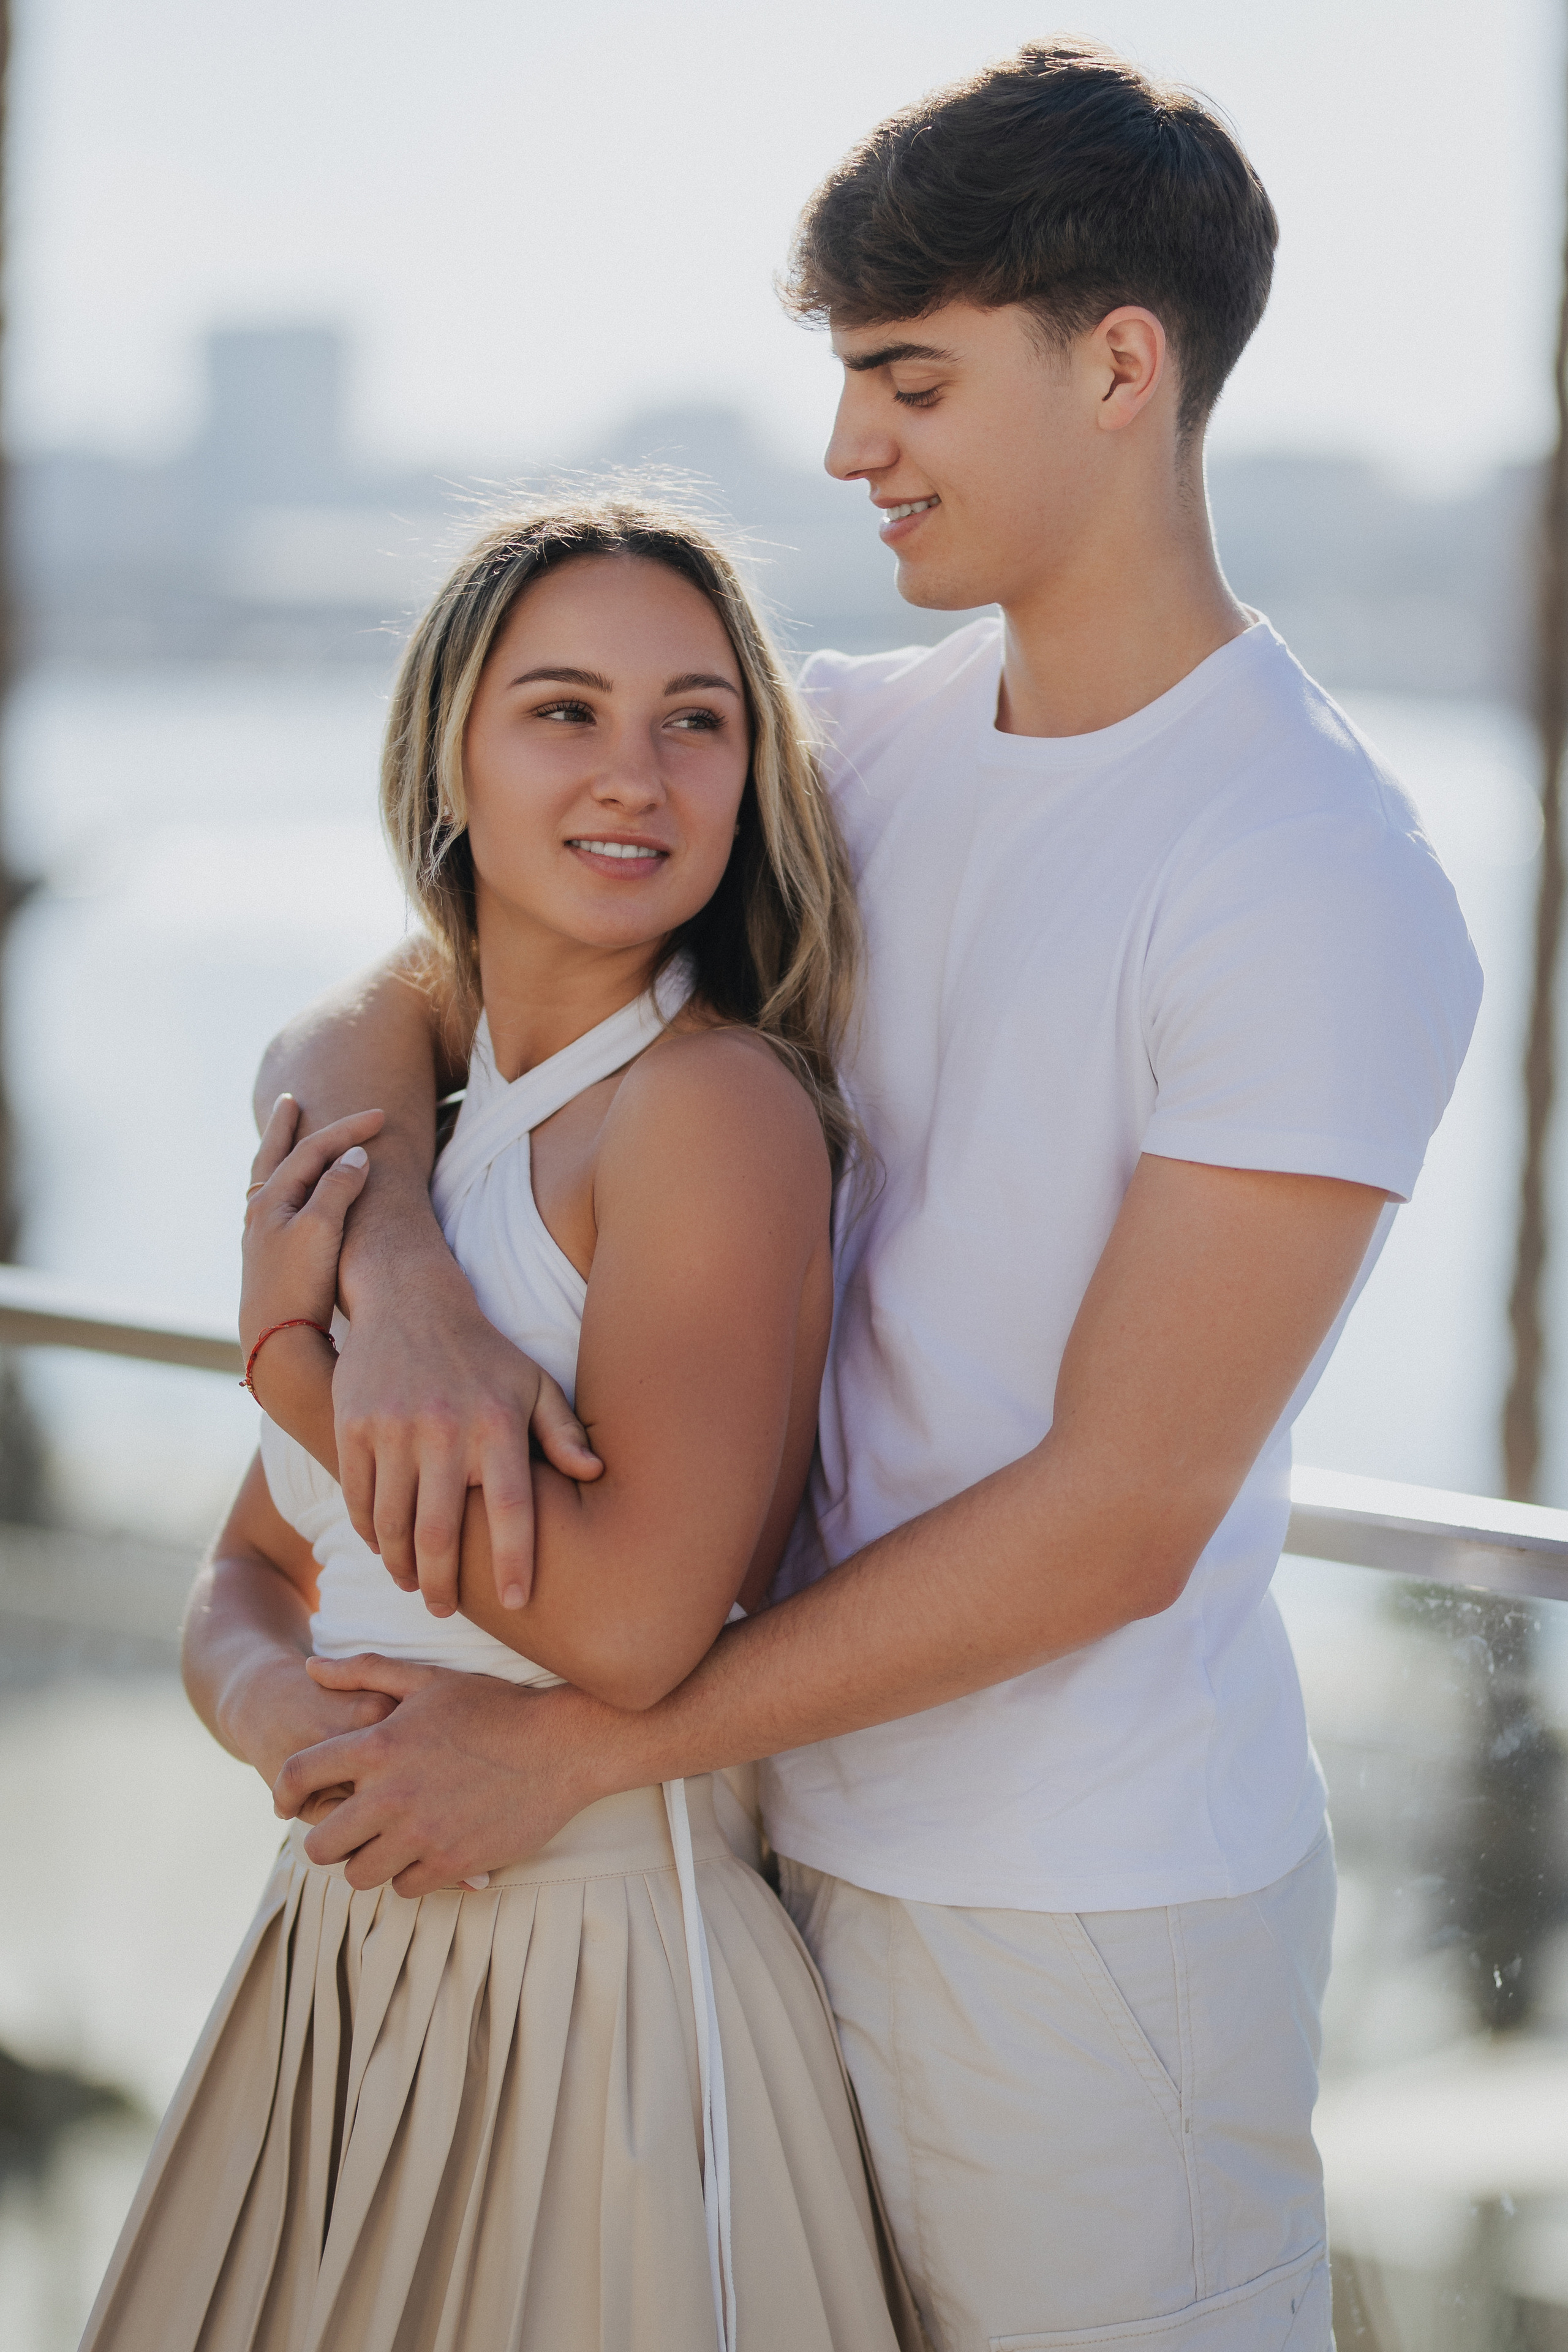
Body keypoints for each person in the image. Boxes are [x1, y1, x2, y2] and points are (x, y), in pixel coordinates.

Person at [256, 41, 1483, 2352]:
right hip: (770, 1849)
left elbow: (1123, 1514)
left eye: (907, 379)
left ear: (1122, 367)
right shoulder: (861, 746)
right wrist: (399, 1266)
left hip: (1078, 1931)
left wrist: (593, 1745)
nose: (846, 451)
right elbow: (414, 979)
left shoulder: (1309, 876)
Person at [79, 501, 924, 2352]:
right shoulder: (423, 1129)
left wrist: (297, 1359)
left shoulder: (711, 1116)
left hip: (604, 1987)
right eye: (565, 710)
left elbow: (633, 1629)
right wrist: (277, 1712)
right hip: (340, 1947)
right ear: (447, 755)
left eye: (697, 720)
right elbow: (250, 1565)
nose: (638, 773)